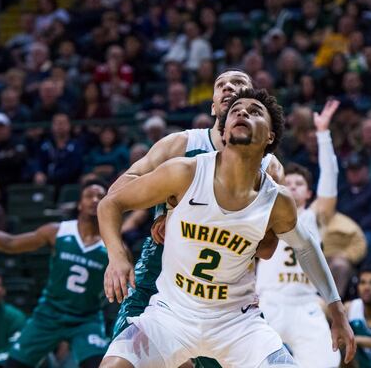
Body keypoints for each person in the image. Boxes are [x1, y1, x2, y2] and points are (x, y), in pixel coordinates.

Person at [99, 88, 355, 367]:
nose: (243, 112)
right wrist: (117, 255)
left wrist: (337, 309)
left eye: (255, 112)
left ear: (270, 136)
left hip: (237, 324)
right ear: (223, 129)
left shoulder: (277, 200)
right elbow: (110, 203)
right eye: (236, 110)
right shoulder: (185, 172)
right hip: (170, 316)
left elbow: (306, 247)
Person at [108, 71, 284, 368]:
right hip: (159, 280)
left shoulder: (269, 167)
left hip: (221, 296)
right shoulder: (181, 144)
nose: (229, 87)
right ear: (214, 108)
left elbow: (268, 244)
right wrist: (166, 207)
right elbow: (116, 192)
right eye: (221, 84)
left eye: (239, 84)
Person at [0, 181, 111, 368]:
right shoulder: (57, 231)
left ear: (108, 203)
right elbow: (10, 243)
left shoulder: (113, 244)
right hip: (49, 314)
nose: (95, 200)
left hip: (86, 318)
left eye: (101, 196)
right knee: (13, 365)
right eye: (89, 195)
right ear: (79, 203)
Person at [255, 100, 342, 368]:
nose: (292, 187)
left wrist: (323, 134)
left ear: (308, 193)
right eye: (288, 182)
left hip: (305, 303)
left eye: (299, 183)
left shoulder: (312, 215)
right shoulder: (263, 209)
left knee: (328, 361)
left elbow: (329, 179)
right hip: (267, 301)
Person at [337, 154, 371, 266]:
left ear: (366, 170)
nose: (354, 173)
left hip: (368, 230)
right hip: (342, 230)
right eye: (351, 170)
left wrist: (353, 229)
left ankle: (368, 274)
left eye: (357, 169)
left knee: (367, 240)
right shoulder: (342, 191)